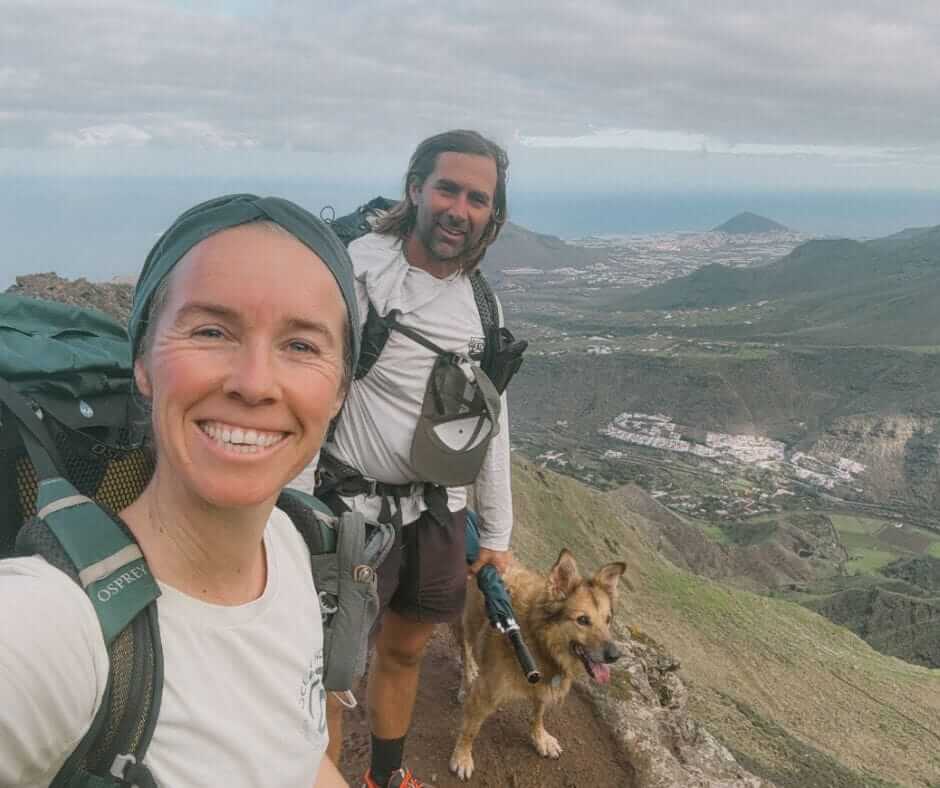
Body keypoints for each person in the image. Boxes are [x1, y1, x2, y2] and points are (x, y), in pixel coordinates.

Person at [0, 195, 360, 787]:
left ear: (341, 388)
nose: (254, 383)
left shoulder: (298, 546)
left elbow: (300, 759)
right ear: (143, 363)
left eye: (301, 345)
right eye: (212, 331)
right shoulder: (54, 629)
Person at [313, 130, 515, 788]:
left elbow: (491, 418)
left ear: (492, 213)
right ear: (415, 189)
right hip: (351, 509)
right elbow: (311, 383)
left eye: (477, 199)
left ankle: (386, 777)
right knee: (333, 671)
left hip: (436, 511)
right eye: (447, 189)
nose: (460, 209)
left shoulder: (482, 303)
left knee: (404, 651)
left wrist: (498, 532)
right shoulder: (358, 270)